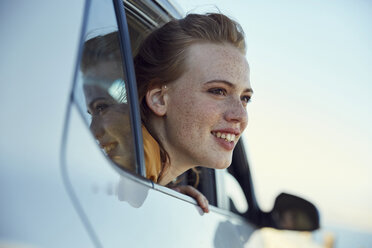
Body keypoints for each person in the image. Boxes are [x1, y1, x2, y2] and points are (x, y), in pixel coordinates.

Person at [134, 13, 252, 212]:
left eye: (245, 98)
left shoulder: (131, 179)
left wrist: (164, 192)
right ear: (159, 99)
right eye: (218, 91)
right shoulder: (117, 177)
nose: (240, 116)